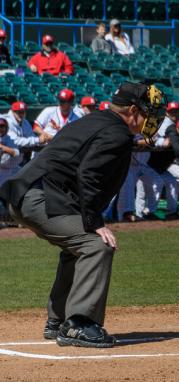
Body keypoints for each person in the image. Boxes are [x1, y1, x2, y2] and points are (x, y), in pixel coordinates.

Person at [0, 82, 165, 348]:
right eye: (150, 112)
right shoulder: (117, 132)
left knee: (76, 247)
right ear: (133, 110)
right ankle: (78, 323)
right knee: (96, 245)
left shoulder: (98, 120)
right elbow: (88, 174)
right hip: (40, 196)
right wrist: (94, 222)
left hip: (33, 190)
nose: (153, 118)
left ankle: (59, 320)